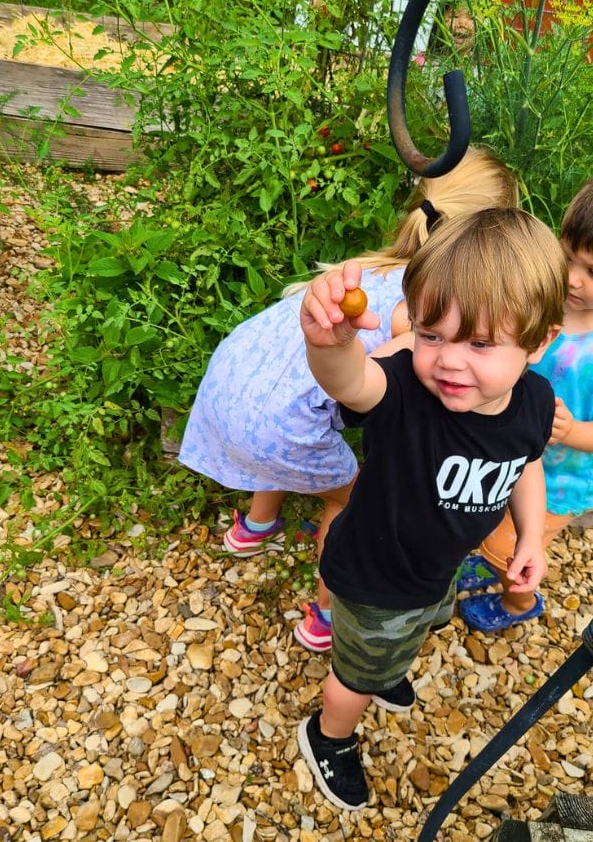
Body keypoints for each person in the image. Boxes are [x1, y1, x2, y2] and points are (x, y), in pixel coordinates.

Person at [178, 146, 519, 653]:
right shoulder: (420, 307)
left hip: (232, 385)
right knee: (350, 499)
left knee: (287, 437)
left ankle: (255, 525)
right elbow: (383, 386)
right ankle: (324, 614)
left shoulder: (370, 265)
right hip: (278, 423)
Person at [296, 207, 567, 811]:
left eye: (478, 343)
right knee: (355, 679)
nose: (448, 360)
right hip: (376, 579)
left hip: (435, 570)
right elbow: (351, 383)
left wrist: (531, 537)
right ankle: (328, 735)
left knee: (418, 630)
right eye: (431, 334)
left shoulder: (533, 401)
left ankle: (388, 667)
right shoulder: (406, 392)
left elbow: (527, 462)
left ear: (540, 341)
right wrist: (331, 345)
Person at [457, 178, 593, 631]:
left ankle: (519, 603)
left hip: (558, 479)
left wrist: (571, 432)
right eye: (568, 257)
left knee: (512, 547)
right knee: (489, 525)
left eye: (592, 272)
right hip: (507, 450)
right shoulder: (543, 297)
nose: (573, 279)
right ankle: (494, 559)